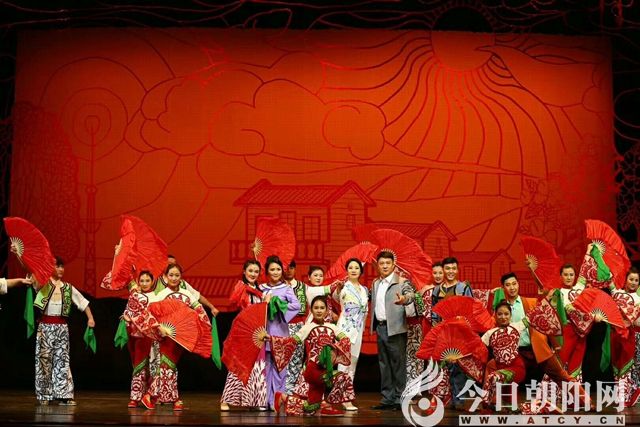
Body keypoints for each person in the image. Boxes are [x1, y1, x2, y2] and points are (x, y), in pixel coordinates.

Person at [142, 263, 210, 411]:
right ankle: (172, 399)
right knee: (167, 365)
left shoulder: (187, 294)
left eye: (177, 275)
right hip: (166, 335)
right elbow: (150, 313)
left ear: (181, 277)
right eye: (171, 275)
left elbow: (199, 310)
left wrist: (205, 324)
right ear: (166, 277)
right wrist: (159, 327)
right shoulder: (161, 294)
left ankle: (152, 395)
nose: (174, 278)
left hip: (181, 337)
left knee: (169, 366)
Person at [271, 295, 355, 416]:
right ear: (311, 310)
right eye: (316, 308)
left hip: (326, 368)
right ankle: (327, 404)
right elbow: (291, 341)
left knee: (310, 408)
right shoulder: (307, 327)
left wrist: (334, 350)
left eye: (322, 308)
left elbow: (345, 339)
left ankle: (283, 398)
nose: (319, 310)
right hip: (313, 369)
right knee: (343, 378)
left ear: (326, 310)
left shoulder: (332, 327)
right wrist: (271, 339)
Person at [32, 256, 95, 406]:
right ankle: (44, 394)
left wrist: (90, 318)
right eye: (57, 266)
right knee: (44, 360)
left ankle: (64, 395)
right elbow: (32, 274)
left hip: (62, 328)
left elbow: (82, 302)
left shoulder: (68, 287)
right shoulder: (43, 284)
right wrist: (20, 256)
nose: (60, 269)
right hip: (45, 327)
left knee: (62, 360)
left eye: (62, 266)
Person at [220, 260, 268, 411]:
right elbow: (235, 301)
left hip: (258, 332)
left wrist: (266, 302)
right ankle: (226, 400)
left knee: (257, 367)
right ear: (244, 271)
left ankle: (253, 401)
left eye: (256, 271)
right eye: (250, 271)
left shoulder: (260, 291)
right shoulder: (241, 287)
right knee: (239, 365)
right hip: (244, 332)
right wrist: (246, 290)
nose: (253, 274)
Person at [370, 251, 415, 410]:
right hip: (380, 327)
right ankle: (387, 398)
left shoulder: (402, 281)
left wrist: (404, 299)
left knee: (398, 364)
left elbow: (411, 294)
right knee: (384, 364)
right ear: (378, 266)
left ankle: (400, 398)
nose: (384, 266)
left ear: (393, 265)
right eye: (381, 263)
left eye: (388, 263)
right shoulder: (376, 283)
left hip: (395, 328)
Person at [259, 255, 301, 410]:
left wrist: (277, 304)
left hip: (280, 332)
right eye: (272, 269)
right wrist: (263, 303)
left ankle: (276, 400)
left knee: (280, 367)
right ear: (267, 271)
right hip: (263, 332)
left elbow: (296, 306)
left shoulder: (286, 288)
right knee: (265, 366)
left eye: (278, 269)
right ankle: (264, 400)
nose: (276, 272)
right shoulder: (261, 289)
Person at [430, 257, 472, 409]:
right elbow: (434, 311)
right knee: (446, 366)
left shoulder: (463, 288)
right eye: (447, 268)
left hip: (459, 332)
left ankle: (459, 400)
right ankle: (449, 398)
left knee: (458, 365)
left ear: (457, 270)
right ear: (443, 270)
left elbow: (471, 308)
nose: (451, 271)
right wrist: (436, 328)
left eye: (453, 268)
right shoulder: (437, 290)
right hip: (443, 332)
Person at [121, 271, 163, 409]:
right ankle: (135, 398)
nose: (144, 283)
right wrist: (126, 317)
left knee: (154, 367)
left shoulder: (157, 297)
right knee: (138, 367)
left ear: (152, 282)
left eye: (147, 281)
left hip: (153, 337)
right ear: (138, 282)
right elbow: (127, 313)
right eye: (142, 281)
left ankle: (151, 396)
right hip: (138, 336)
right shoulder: (135, 296)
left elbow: (159, 316)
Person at [335, 258, 369, 411]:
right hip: (345, 329)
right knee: (344, 363)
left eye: (356, 267)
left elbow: (365, 311)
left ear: (361, 271)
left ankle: (346, 395)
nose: (354, 270)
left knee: (353, 364)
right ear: (347, 270)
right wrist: (338, 290)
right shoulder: (344, 287)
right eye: (350, 267)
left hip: (358, 329)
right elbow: (337, 299)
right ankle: (341, 396)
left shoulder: (364, 290)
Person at [611, 267, 640, 407]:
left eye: (636, 280)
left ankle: (628, 396)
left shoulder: (639, 298)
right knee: (617, 365)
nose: (633, 282)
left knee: (631, 366)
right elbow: (609, 280)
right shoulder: (618, 294)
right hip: (616, 334)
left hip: (633, 335)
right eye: (631, 279)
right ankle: (620, 395)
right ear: (626, 280)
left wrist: (634, 320)